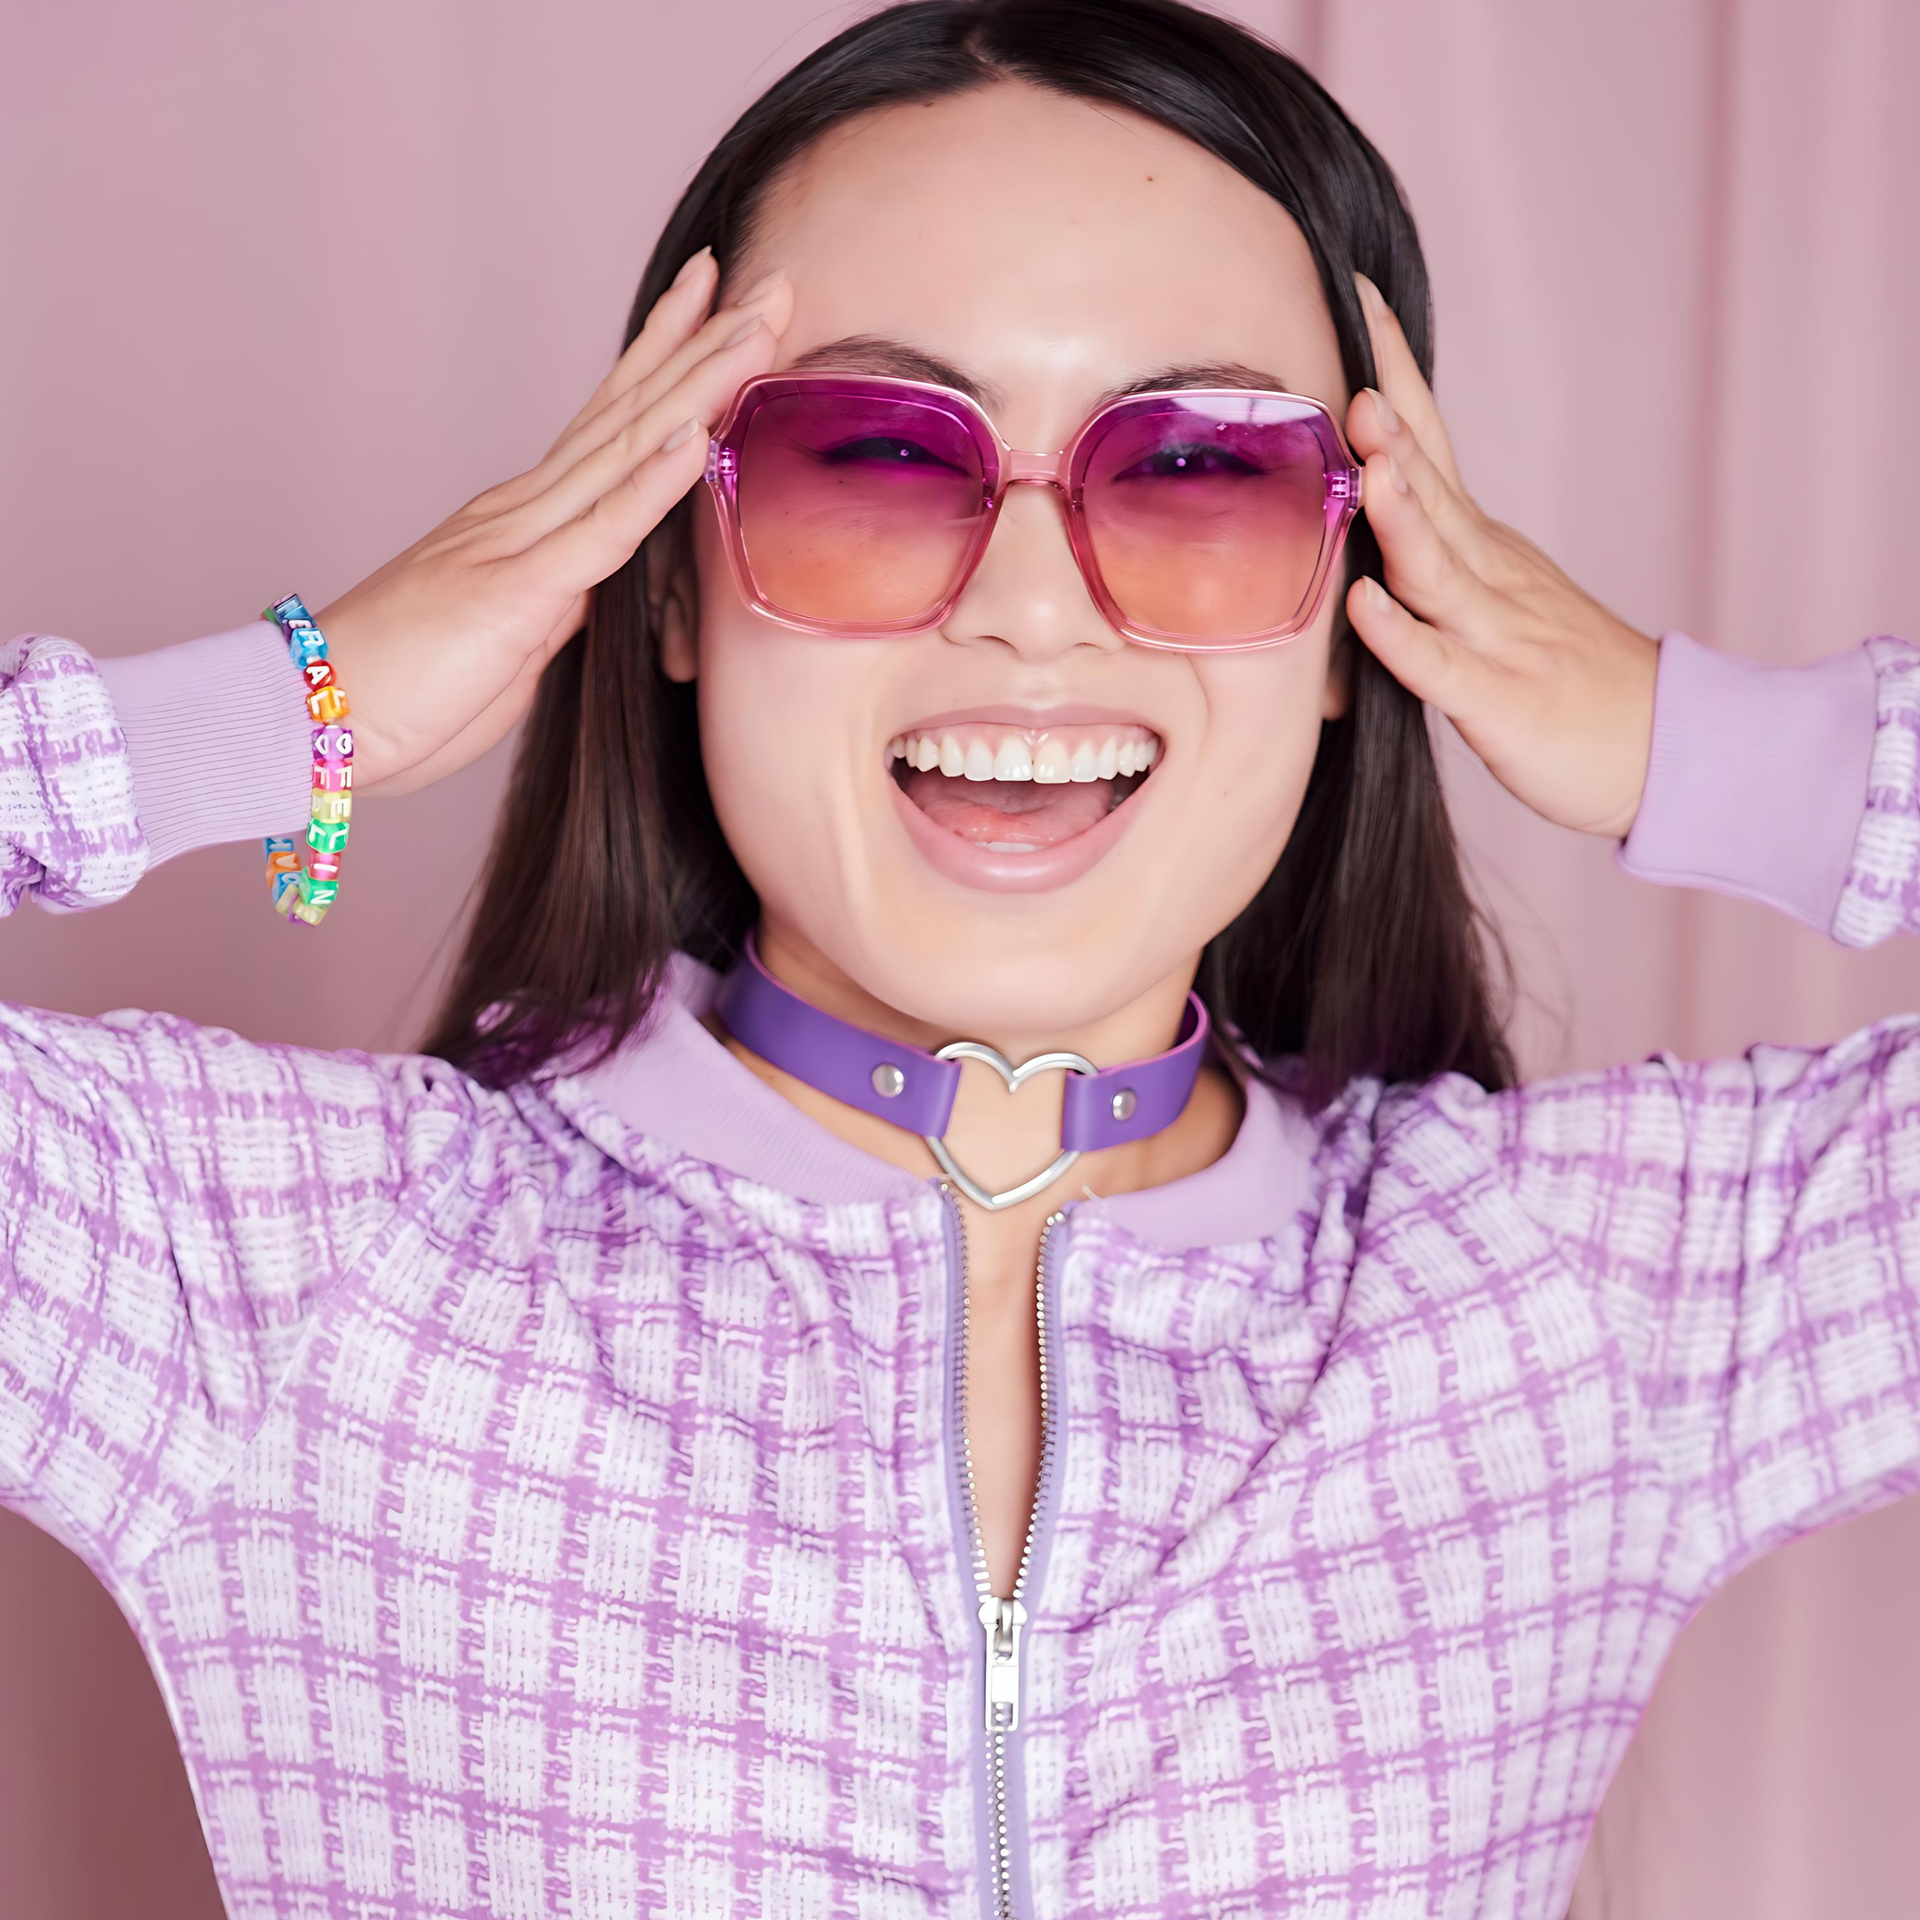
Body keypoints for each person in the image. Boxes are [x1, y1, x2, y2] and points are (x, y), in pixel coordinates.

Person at [3, 1, 1914, 1915]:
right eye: (870, 457)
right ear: (664, 574)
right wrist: (295, 704)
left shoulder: (1594, 1296)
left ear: (1360, 610)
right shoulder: (267, 1265)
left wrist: (1711, 747)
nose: (1022, 611)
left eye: (1196, 473)